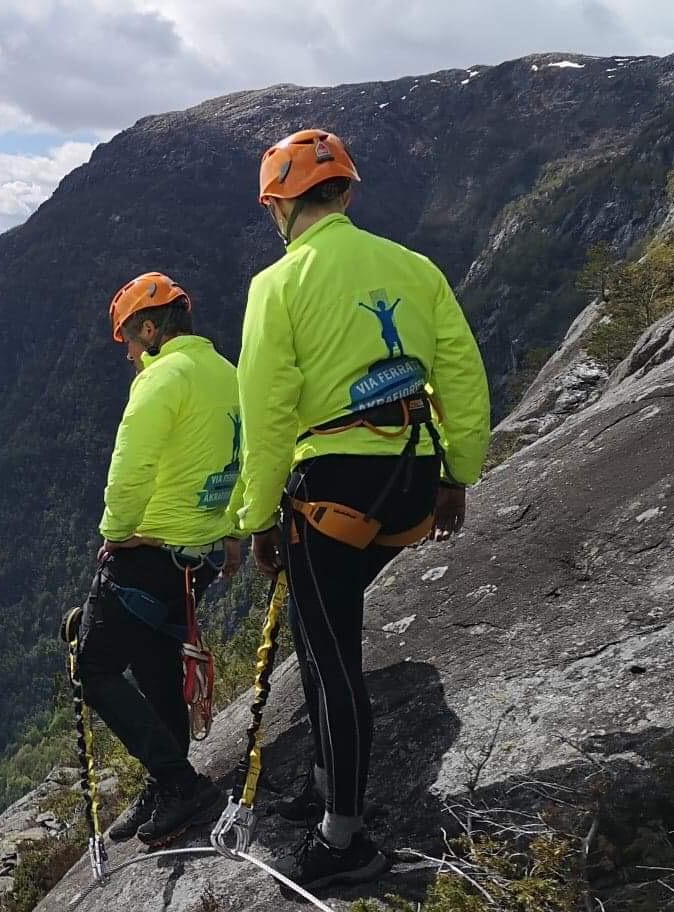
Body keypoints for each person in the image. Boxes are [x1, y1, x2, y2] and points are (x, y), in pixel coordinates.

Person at [233, 129, 492, 890]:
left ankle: (343, 842)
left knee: (329, 653)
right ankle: (323, 784)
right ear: (345, 192)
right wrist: (457, 476)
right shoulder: (415, 269)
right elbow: (462, 379)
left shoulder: (278, 286)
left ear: (279, 206)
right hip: (412, 476)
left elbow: (269, 412)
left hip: (331, 491)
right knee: (326, 635)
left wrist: (256, 519)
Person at [77, 271, 245, 845]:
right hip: (198, 562)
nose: (127, 353)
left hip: (144, 556)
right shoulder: (228, 375)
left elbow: (130, 473)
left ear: (151, 328)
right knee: (154, 669)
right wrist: (234, 531)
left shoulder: (160, 380)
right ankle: (167, 779)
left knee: (94, 671)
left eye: (128, 337)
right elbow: (244, 456)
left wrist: (114, 535)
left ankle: (179, 783)